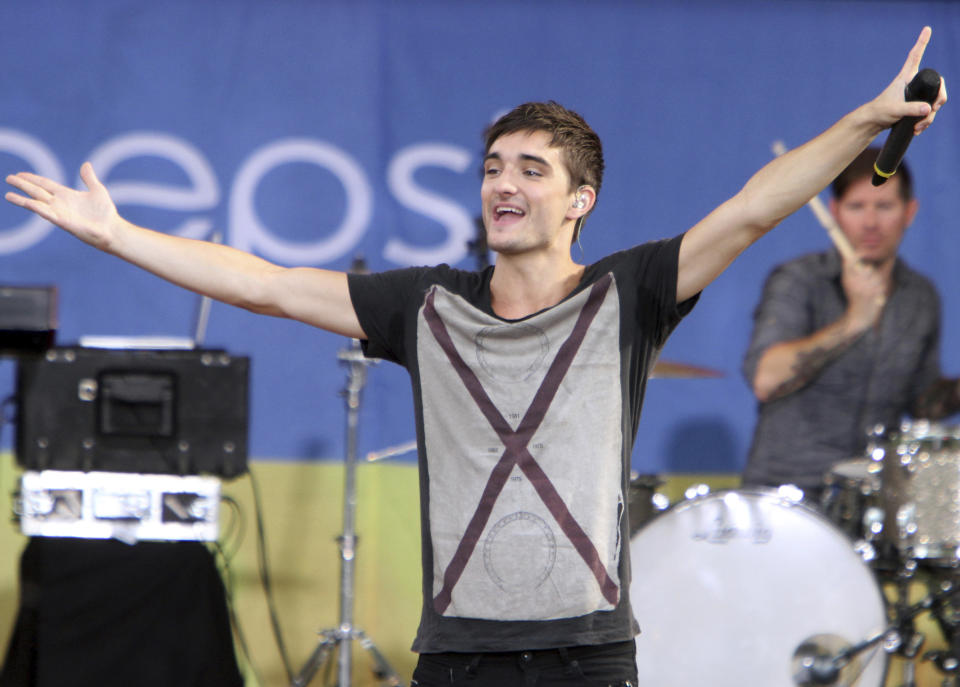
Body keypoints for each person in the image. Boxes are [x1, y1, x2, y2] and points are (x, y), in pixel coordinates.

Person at [4, 28, 946, 687]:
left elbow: (752, 207)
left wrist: (867, 121)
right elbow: (265, 281)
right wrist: (119, 235)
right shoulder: (425, 304)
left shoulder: (629, 293)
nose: (504, 183)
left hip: (590, 652)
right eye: (494, 165)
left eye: (532, 170)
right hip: (456, 653)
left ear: (580, 201)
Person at [741, 146, 960, 501]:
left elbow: (922, 404)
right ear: (835, 212)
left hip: (870, 497)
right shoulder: (799, 281)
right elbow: (766, 378)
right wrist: (854, 321)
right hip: (785, 495)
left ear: (910, 211)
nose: (870, 222)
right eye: (857, 207)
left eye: (884, 206)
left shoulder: (921, 296)